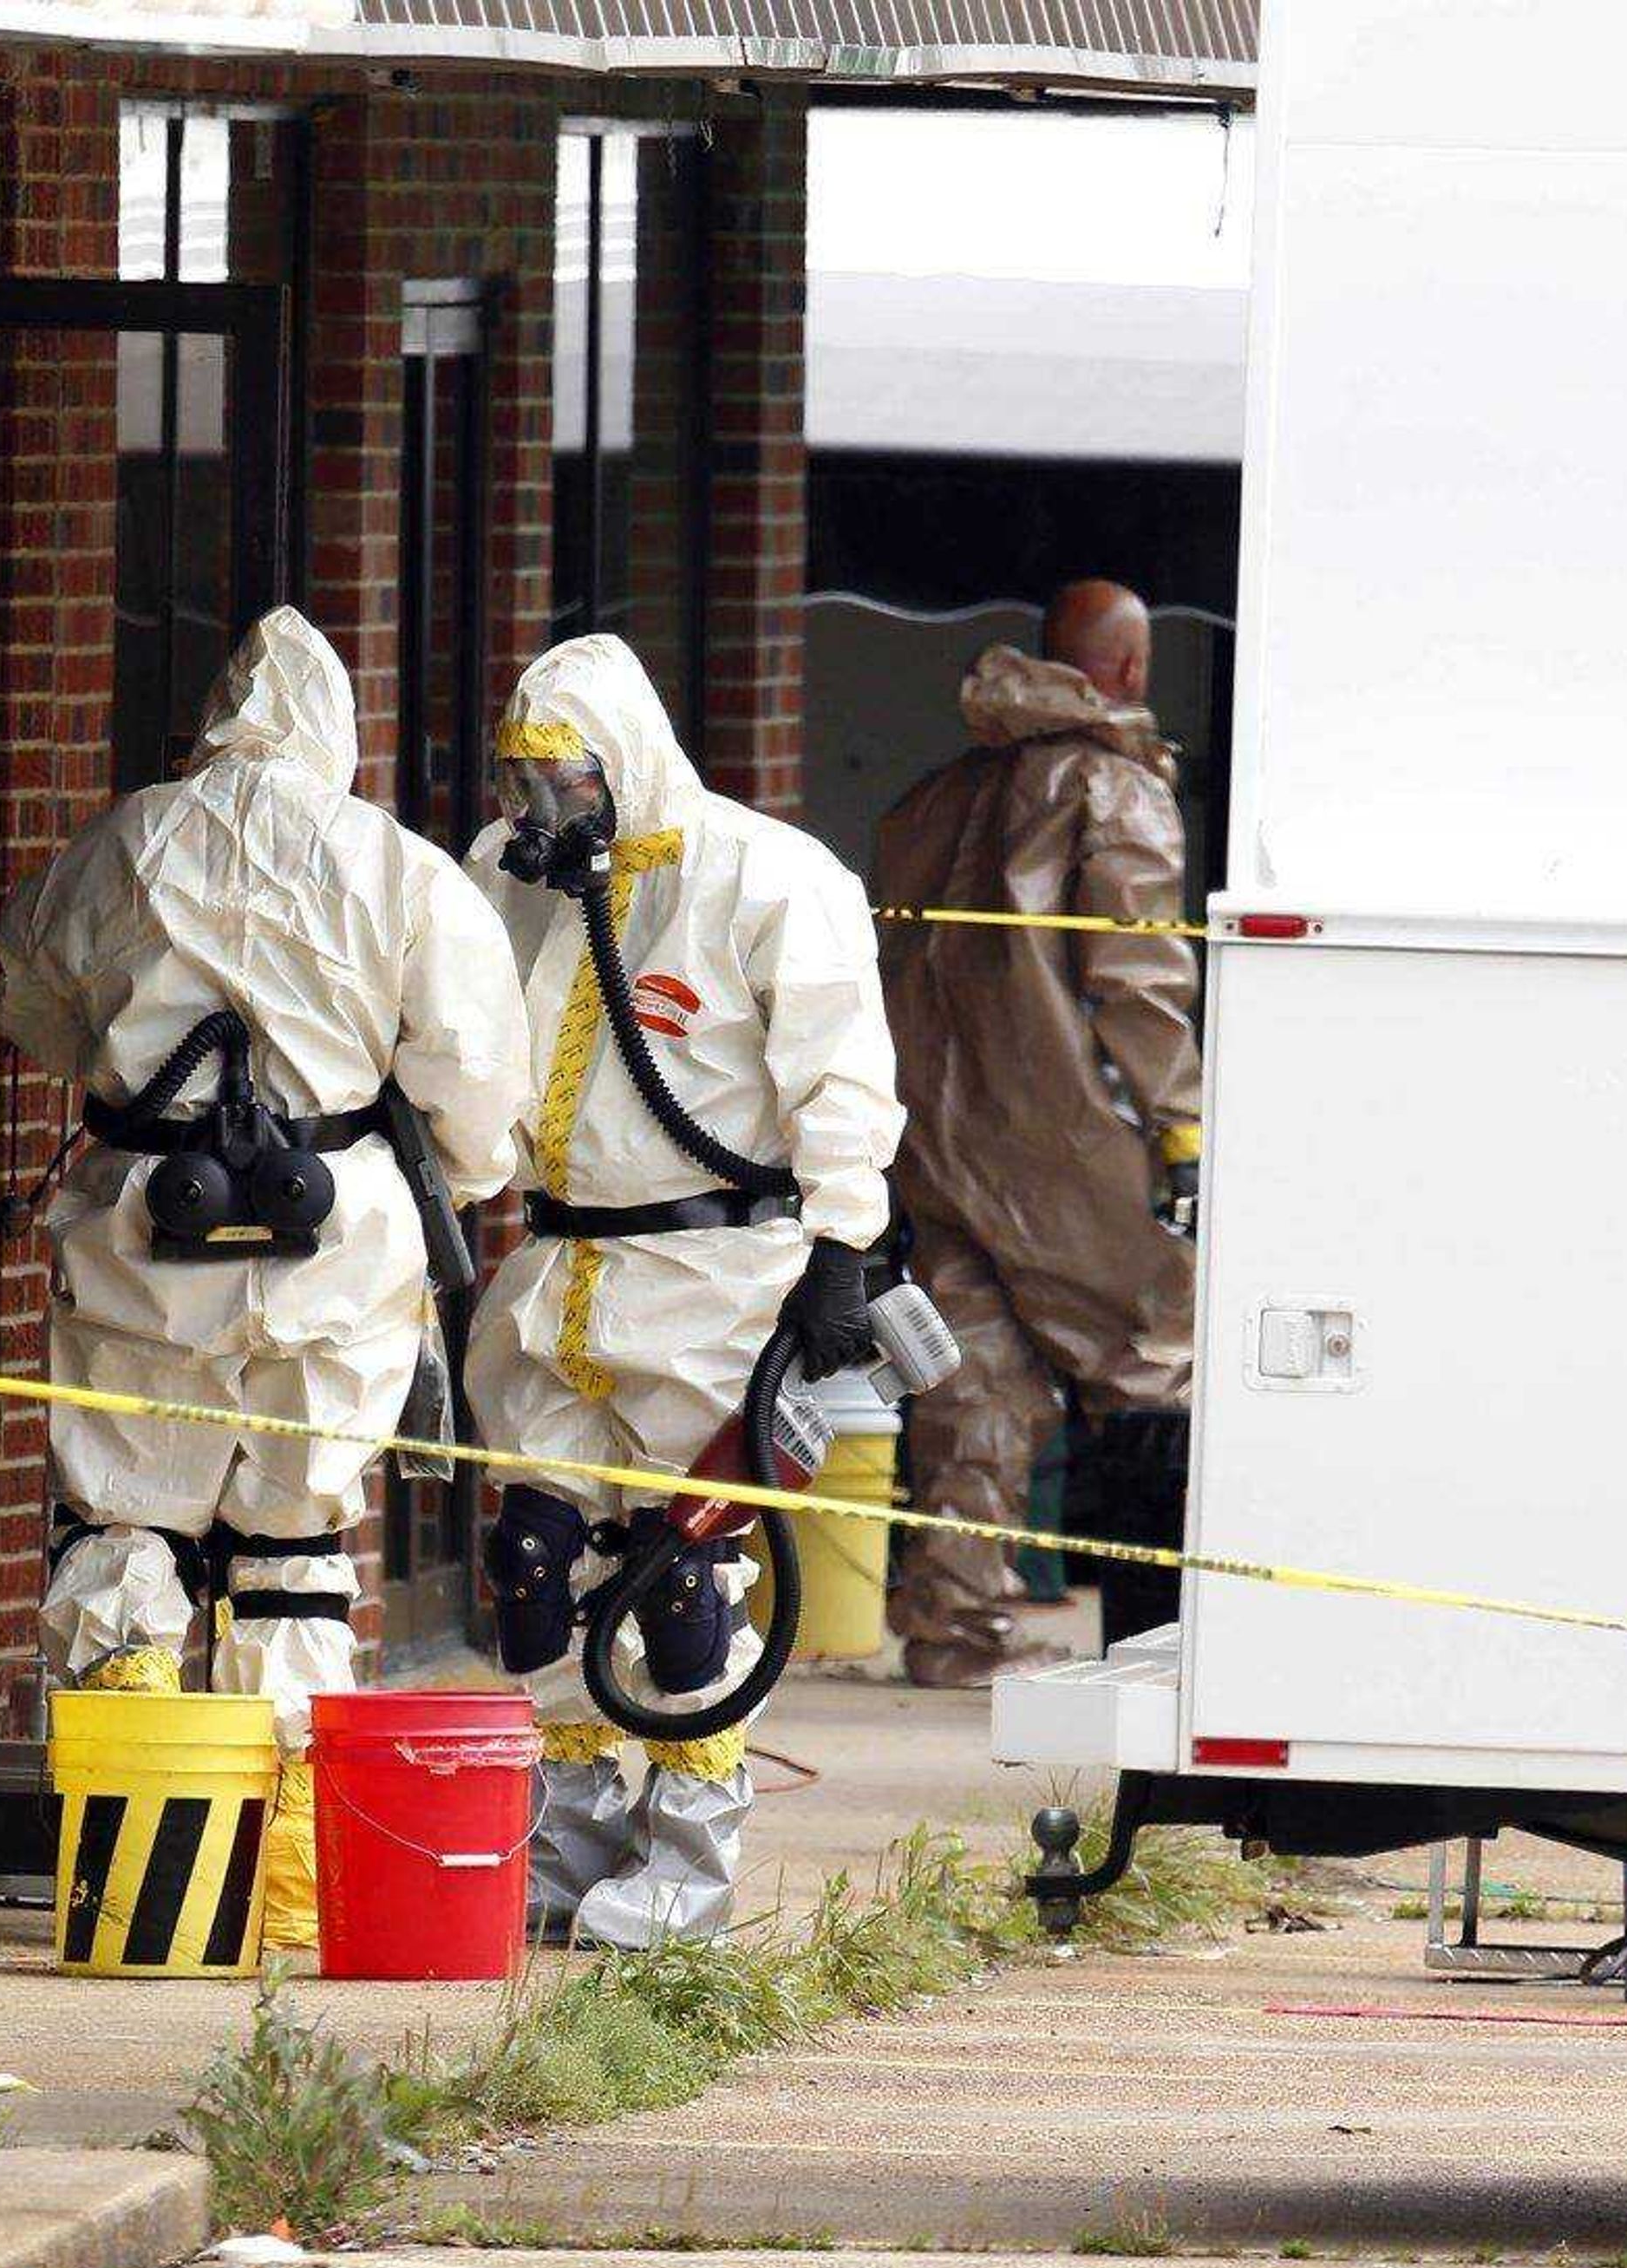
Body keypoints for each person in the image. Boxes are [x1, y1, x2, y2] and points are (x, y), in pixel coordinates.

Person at [0, 607, 534, 1948]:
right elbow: (474, 1069)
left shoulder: (130, 836)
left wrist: (131, 1069)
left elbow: (28, 994)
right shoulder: (395, 866)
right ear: (337, 733)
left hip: (141, 1232)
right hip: (333, 1243)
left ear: (220, 714)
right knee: (295, 1546)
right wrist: (445, 1184)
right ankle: (281, 1887)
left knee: (124, 1521)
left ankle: (131, 1879)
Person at [464, 634, 903, 1948]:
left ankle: (687, 1867)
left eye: (568, 785)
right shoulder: (515, 880)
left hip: (717, 1275)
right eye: (521, 785)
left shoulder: (767, 878)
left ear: (629, 765)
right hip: (558, 1272)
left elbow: (844, 1074)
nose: (542, 816)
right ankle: (570, 1843)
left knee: (684, 1574)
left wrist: (842, 1241)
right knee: (535, 1559)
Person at [875, 579, 1204, 1687]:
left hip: (934, 1139)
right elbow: (1140, 977)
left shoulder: (939, 797)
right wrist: (1182, 1128)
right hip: (1069, 1144)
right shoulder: (1116, 792)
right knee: (1155, 1368)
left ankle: (953, 1635)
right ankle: (1160, 1650)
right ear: (1127, 671)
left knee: (972, 1387)